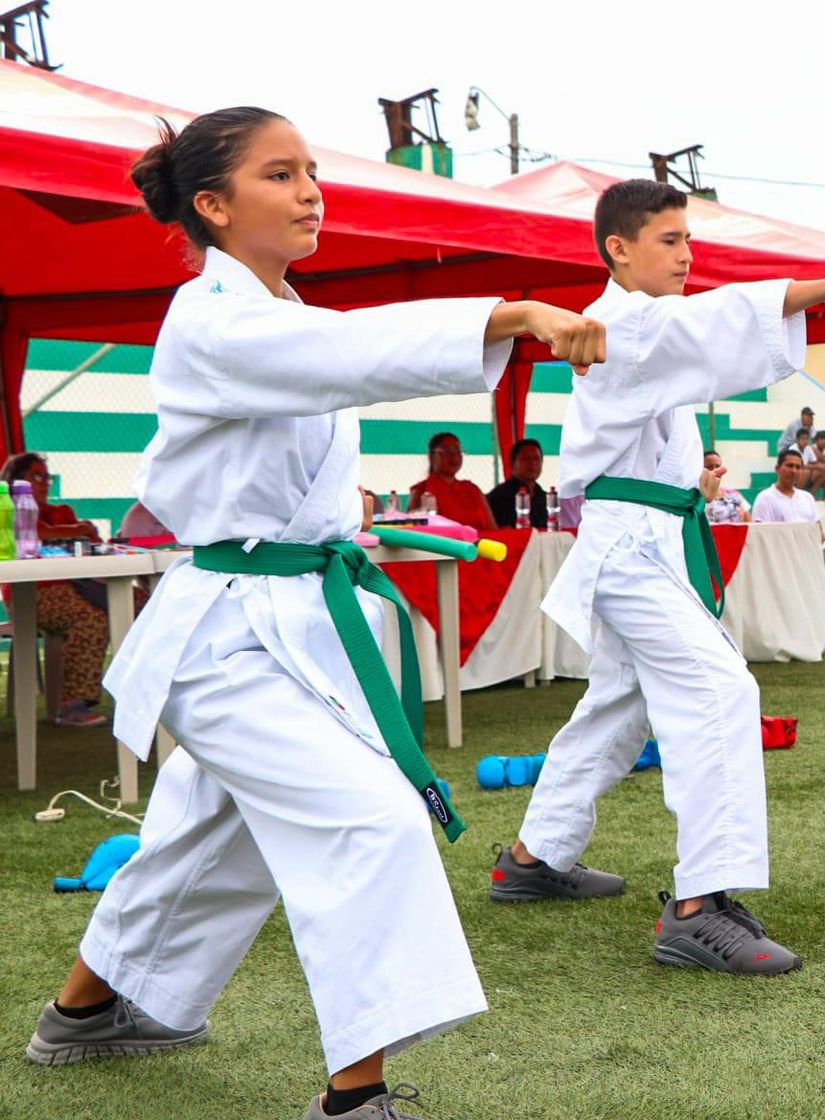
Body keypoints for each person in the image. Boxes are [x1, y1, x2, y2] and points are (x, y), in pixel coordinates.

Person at [23, 107, 607, 1120]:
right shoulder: (213, 319)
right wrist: (510, 315)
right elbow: (350, 353)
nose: (309, 192)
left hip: (290, 625)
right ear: (213, 206)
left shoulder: (280, 314)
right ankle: (354, 1098)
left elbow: (327, 361)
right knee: (372, 821)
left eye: (311, 173)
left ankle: (84, 1012)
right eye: (280, 174)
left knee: (208, 833)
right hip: (227, 638)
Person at [493, 178, 825, 974]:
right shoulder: (626, 323)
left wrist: (692, 480)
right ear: (619, 249)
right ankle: (699, 906)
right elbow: (724, 319)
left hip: (641, 543)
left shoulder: (637, 328)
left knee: (617, 707)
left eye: (688, 239)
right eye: (670, 240)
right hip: (632, 551)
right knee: (721, 691)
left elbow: (668, 392)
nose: (687, 255)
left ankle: (534, 856)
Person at [0, 453, 148, 728]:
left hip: (80, 584)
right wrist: (77, 529)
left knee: (143, 603)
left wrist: (80, 531)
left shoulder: (62, 512)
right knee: (90, 618)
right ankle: (72, 705)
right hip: (33, 594)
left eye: (47, 477)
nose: (45, 483)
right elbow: (36, 532)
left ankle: (146, 692)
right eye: (36, 476)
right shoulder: (9, 510)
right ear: (15, 481)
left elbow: (92, 542)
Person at [753, 448, 825, 604]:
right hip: (783, 556)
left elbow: (819, 532)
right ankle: (815, 602)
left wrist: (815, 539)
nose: (794, 471)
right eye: (789, 466)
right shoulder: (765, 498)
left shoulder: (806, 497)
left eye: (798, 467)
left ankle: (819, 599)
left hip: (811, 551)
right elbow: (761, 537)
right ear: (777, 468)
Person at [406, 431, 495, 531]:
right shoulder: (422, 491)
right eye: (447, 451)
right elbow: (414, 531)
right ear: (431, 456)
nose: (454, 456)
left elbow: (492, 528)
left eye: (457, 450)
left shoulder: (472, 489)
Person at [485, 437, 550, 530]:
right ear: (512, 464)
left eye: (536, 458)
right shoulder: (499, 497)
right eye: (525, 458)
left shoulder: (544, 497)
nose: (532, 463)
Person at [702, 449, 751, 523]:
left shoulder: (733, 494)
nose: (715, 470)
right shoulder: (697, 500)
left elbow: (748, 522)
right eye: (710, 467)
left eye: (717, 466)